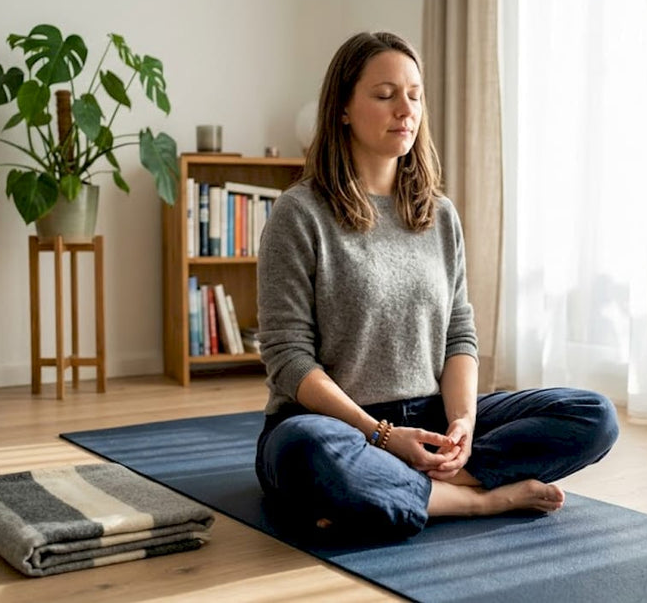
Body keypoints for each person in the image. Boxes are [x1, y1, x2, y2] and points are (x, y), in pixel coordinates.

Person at [255, 31, 619, 541]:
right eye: (384, 95)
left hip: (429, 416)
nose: (405, 109)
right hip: (333, 425)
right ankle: (477, 500)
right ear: (342, 108)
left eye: (414, 95)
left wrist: (462, 424)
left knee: (593, 415)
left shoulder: (439, 216)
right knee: (304, 455)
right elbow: (290, 359)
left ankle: (408, 490)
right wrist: (380, 435)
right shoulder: (299, 214)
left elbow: (458, 335)